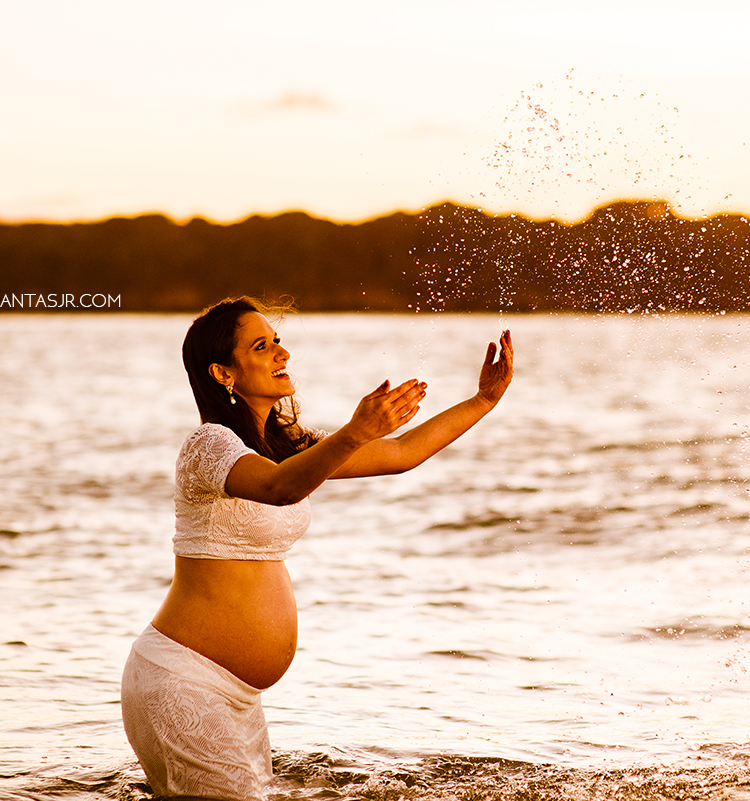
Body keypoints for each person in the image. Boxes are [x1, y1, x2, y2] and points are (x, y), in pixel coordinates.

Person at [121, 296, 513, 799]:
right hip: (184, 682)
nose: (281, 353)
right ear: (223, 373)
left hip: (237, 697)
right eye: (261, 347)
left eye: (277, 341)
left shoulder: (286, 446)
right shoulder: (208, 445)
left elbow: (400, 453)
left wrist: (482, 401)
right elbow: (279, 488)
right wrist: (354, 432)